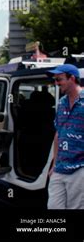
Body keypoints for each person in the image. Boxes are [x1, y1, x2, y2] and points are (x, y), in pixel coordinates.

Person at [47, 64, 83, 209]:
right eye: (55, 79)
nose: (56, 83)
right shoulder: (61, 103)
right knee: (54, 206)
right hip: (60, 168)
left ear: (72, 78)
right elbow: (58, 134)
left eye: (59, 79)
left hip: (80, 168)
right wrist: (54, 163)